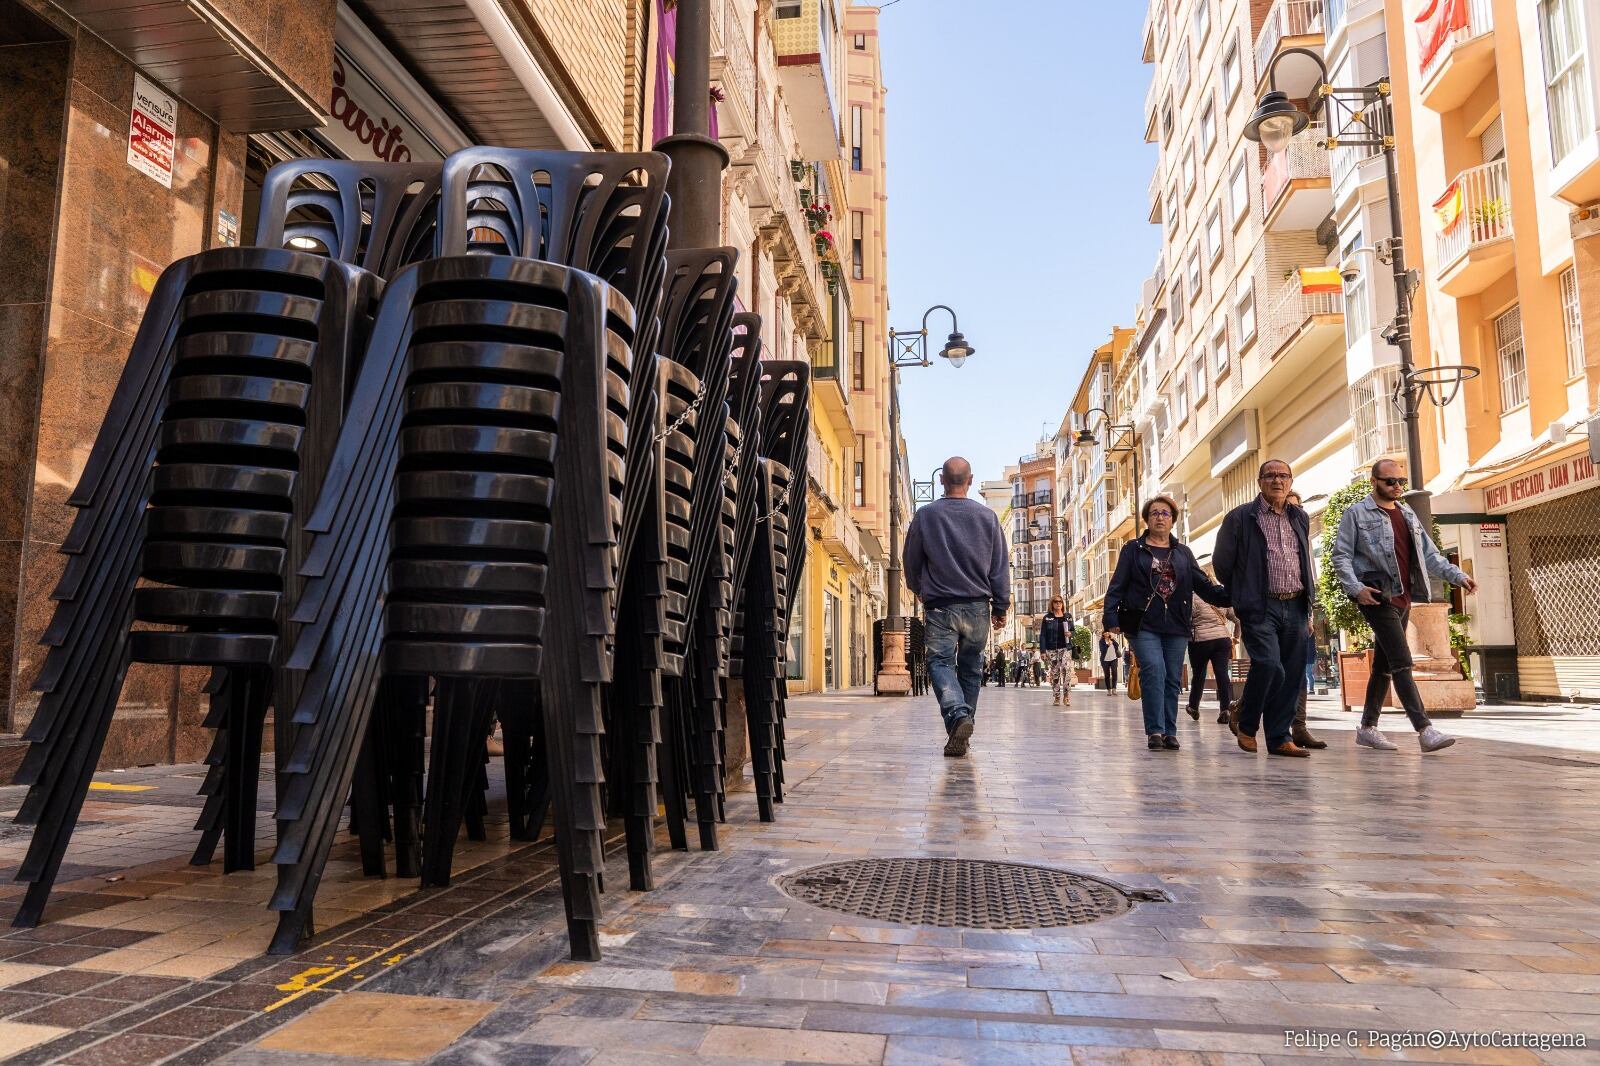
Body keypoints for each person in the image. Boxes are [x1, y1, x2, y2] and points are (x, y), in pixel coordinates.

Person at [1332, 458, 1477, 753]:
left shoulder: (1407, 513)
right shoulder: (1356, 514)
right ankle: (1424, 730)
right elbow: (1341, 556)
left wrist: (1458, 576)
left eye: (1401, 482)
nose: (1397, 487)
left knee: (1384, 667)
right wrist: (1356, 588)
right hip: (1376, 596)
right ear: (1373, 482)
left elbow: (1431, 556)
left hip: (1403, 597)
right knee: (1402, 661)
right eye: (1390, 482)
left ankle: (1368, 728)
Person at [1104, 495, 1229, 751]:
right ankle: (1155, 731)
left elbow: (1202, 585)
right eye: (1155, 513)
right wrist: (1111, 617)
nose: (1160, 517)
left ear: (1173, 520)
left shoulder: (1183, 553)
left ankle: (1170, 731)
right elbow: (1117, 586)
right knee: (1154, 670)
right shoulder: (1133, 549)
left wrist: (1230, 594)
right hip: (1142, 623)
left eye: (1165, 513)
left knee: (1173, 677)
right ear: (1147, 520)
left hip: (1176, 623)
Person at [903, 456, 1009, 758]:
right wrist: (1000, 606)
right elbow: (999, 566)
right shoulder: (987, 518)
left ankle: (957, 716)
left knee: (939, 664)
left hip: (941, 606)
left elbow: (911, 560)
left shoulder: (926, 516)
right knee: (971, 668)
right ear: (971, 480)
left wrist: (920, 589)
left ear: (941, 481)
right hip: (977, 606)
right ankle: (962, 727)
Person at [1214, 460, 1316, 758]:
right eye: (1270, 475)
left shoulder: (1300, 516)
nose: (1277, 481)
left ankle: (1279, 737)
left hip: (1296, 603)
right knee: (1269, 663)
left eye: (1283, 476)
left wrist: (1308, 605)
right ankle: (1246, 724)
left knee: (1293, 673)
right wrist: (1242, 594)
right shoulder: (1241, 517)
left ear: (1291, 480)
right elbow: (1222, 563)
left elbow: (1302, 559)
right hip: (1260, 605)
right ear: (1259, 481)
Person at [1283, 491, 1326, 749]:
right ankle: (1244, 709)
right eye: (1290, 507)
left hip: (1298, 609)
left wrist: (1309, 613)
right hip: (1271, 610)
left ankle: (1299, 727)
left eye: (1299, 508)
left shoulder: (1302, 534)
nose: (1295, 512)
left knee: (1298, 671)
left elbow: (1307, 575)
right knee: (1273, 670)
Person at [1185, 578, 1235, 724]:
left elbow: (1187, 618)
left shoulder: (1193, 597)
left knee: (1199, 674)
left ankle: (1194, 707)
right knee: (1222, 674)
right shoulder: (1221, 595)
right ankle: (1225, 709)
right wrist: (1236, 636)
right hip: (1222, 638)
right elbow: (1236, 619)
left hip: (1200, 641)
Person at [1040, 597, 1073, 707]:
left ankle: (1066, 696)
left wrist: (1071, 634)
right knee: (1055, 674)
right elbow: (1043, 635)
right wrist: (1043, 651)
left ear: (1062, 604)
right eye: (1056, 602)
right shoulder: (1047, 618)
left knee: (1066, 671)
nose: (1058, 603)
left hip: (1065, 648)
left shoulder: (1068, 617)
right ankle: (1057, 696)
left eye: (1060, 602)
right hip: (1052, 649)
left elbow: (1073, 630)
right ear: (1052, 604)